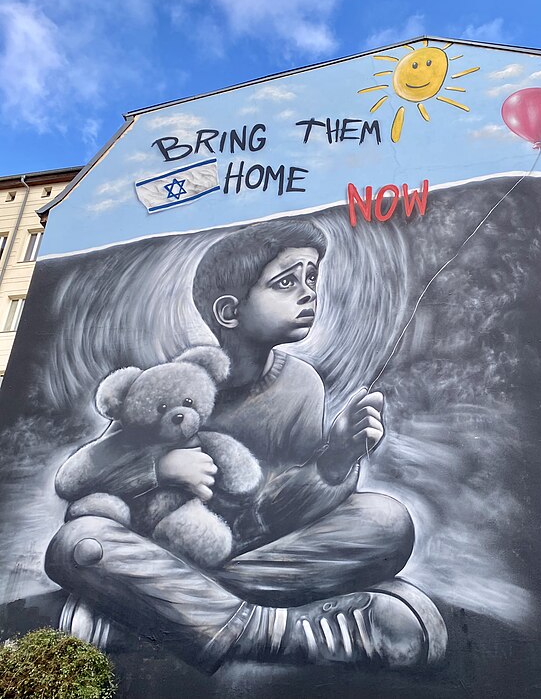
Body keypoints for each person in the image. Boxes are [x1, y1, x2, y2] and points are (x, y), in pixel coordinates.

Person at [45, 219, 447, 672]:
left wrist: (335, 458)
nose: (309, 293)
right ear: (229, 312)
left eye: (311, 278)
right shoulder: (175, 385)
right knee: (80, 542)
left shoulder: (302, 386)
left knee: (386, 521)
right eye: (286, 282)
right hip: (164, 543)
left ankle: (139, 612)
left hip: (251, 545)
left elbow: (281, 512)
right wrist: (159, 470)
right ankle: (277, 633)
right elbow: (82, 477)